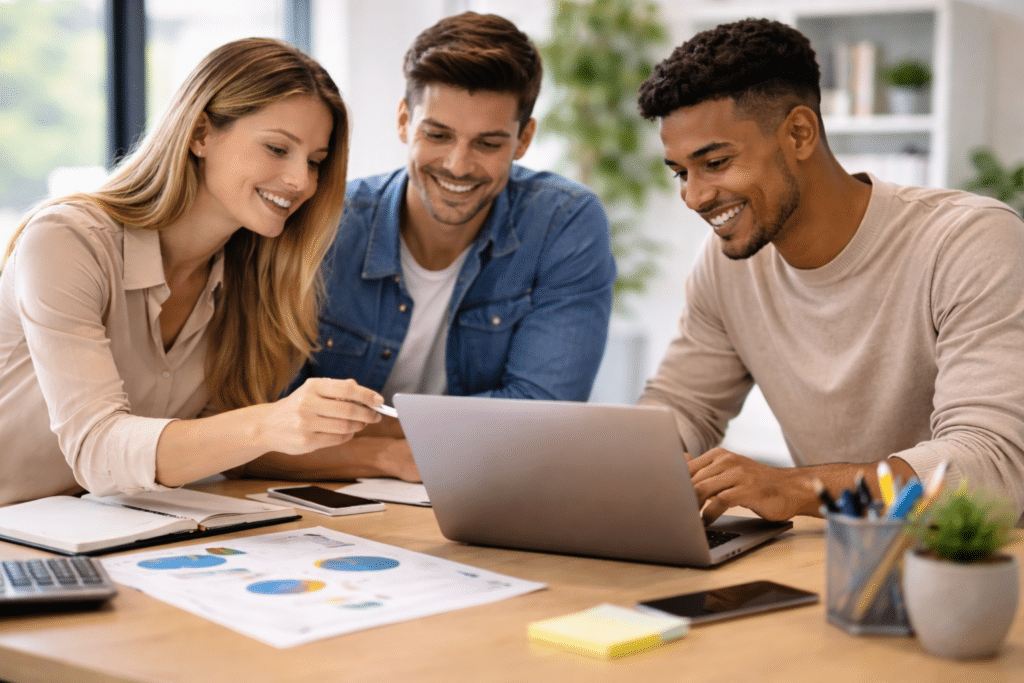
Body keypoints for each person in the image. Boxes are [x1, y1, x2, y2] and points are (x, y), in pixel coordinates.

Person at [636, 18, 1024, 525]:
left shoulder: (968, 241)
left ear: (799, 132)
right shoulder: (728, 261)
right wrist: (627, 465)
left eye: (716, 162)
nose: (694, 197)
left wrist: (798, 487)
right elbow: (684, 406)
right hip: (838, 556)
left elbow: (991, 466)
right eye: (681, 174)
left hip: (971, 564)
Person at [0, 38, 387, 506]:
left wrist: (390, 454)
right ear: (200, 133)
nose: (301, 181)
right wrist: (269, 421)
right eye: (277, 148)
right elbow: (97, 451)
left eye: (315, 162)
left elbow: (226, 448)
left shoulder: (252, 285)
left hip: (105, 529)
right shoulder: (66, 241)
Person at [240, 12, 616, 483]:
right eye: (437, 135)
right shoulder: (326, 223)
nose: (459, 165)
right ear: (404, 121)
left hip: (481, 490)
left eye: (488, 143)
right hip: (333, 501)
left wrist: (348, 432)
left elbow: (542, 418)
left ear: (523, 140)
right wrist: (385, 458)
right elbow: (254, 429)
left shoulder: (564, 224)